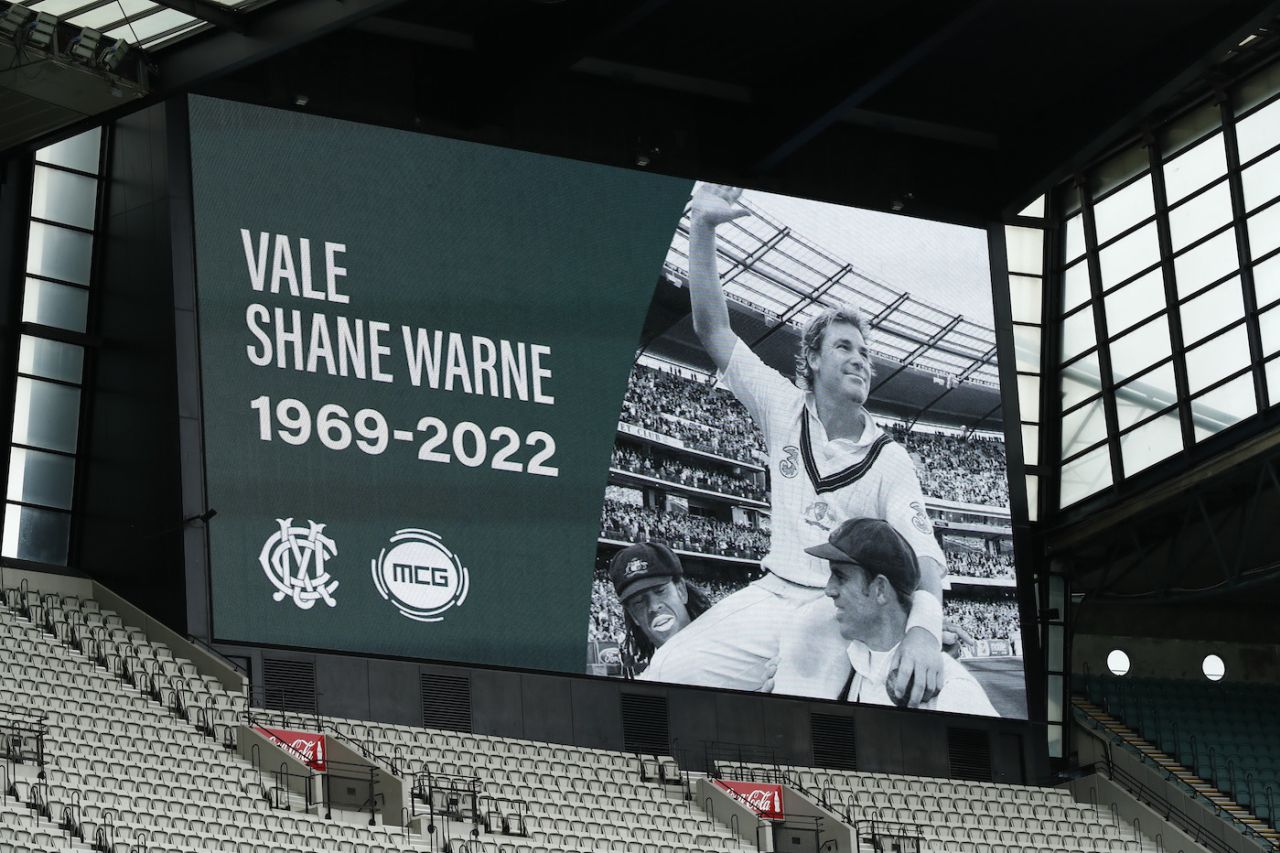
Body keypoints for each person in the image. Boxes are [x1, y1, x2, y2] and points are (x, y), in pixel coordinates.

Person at [640, 183, 947, 704]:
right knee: (666, 672)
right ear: (812, 360)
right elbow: (712, 329)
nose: (860, 359)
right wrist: (704, 227)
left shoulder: (889, 458)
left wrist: (925, 632)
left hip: (836, 608)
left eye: (866, 352)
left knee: (791, 714)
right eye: (844, 347)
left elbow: (928, 560)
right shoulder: (783, 408)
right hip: (771, 591)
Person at [807, 518, 997, 716]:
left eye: (840, 577)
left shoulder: (953, 691)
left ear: (880, 589)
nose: (829, 590)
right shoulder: (851, 666)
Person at [608, 542, 713, 676]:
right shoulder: (649, 685)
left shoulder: (731, 647)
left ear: (681, 590)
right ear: (633, 616)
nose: (653, 606)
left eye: (660, 591)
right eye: (639, 602)